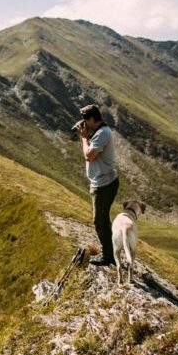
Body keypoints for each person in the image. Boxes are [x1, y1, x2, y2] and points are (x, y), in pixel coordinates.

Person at [77, 104, 118, 267]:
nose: (84, 124)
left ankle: (109, 257)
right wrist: (87, 136)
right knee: (103, 219)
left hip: (104, 185)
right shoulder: (100, 132)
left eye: (86, 120)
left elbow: (89, 156)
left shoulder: (102, 133)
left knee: (99, 221)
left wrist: (84, 138)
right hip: (101, 182)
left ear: (92, 119)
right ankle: (113, 250)